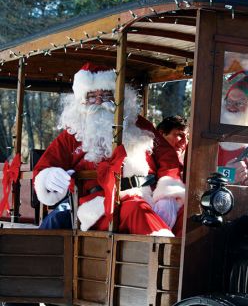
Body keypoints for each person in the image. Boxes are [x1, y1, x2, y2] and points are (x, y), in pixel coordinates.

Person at [33, 62, 185, 236]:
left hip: (147, 195)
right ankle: (165, 256)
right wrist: (48, 177)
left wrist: (167, 196)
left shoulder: (140, 125)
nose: (98, 101)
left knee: (190, 218)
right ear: (82, 100)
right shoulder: (72, 134)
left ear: (117, 96)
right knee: (136, 211)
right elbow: (44, 167)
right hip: (98, 204)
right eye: (91, 96)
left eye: (105, 95)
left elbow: (168, 159)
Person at [219, 70, 248, 185]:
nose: (232, 107)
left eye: (240, 103)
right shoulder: (211, 132)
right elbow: (194, 172)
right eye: (229, 101)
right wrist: (228, 175)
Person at [149, 115, 188, 236]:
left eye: (187, 138)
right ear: (161, 134)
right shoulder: (150, 152)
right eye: (179, 135)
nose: (184, 142)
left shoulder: (186, 160)